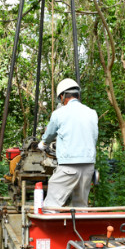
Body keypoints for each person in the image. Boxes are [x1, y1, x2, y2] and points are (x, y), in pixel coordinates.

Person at [38, 78, 98, 210]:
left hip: (69, 167)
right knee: (81, 207)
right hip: (89, 168)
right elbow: (93, 137)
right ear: (78, 95)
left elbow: (49, 135)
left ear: (62, 96)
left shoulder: (59, 113)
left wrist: (42, 144)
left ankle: (49, 230)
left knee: (51, 206)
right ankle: (80, 230)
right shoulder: (92, 113)